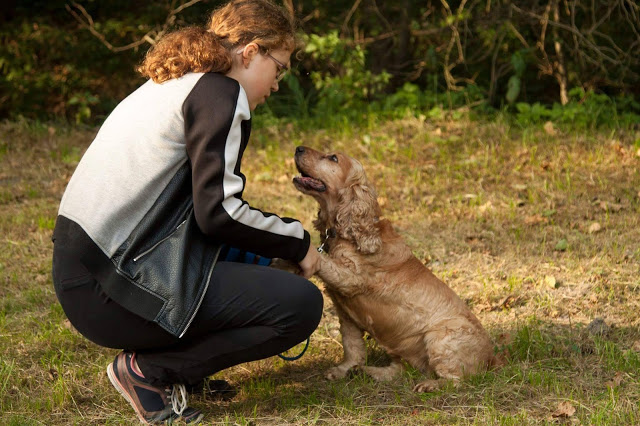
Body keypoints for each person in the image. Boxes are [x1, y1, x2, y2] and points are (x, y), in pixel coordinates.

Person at [50, 0, 323, 423]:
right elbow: (219, 213)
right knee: (299, 304)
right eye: (280, 67)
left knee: (263, 266)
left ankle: (179, 369)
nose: (277, 83)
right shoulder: (222, 92)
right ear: (251, 52)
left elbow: (195, 213)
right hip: (113, 289)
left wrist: (265, 254)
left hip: (89, 273)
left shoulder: (177, 82)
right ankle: (149, 372)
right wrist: (298, 241)